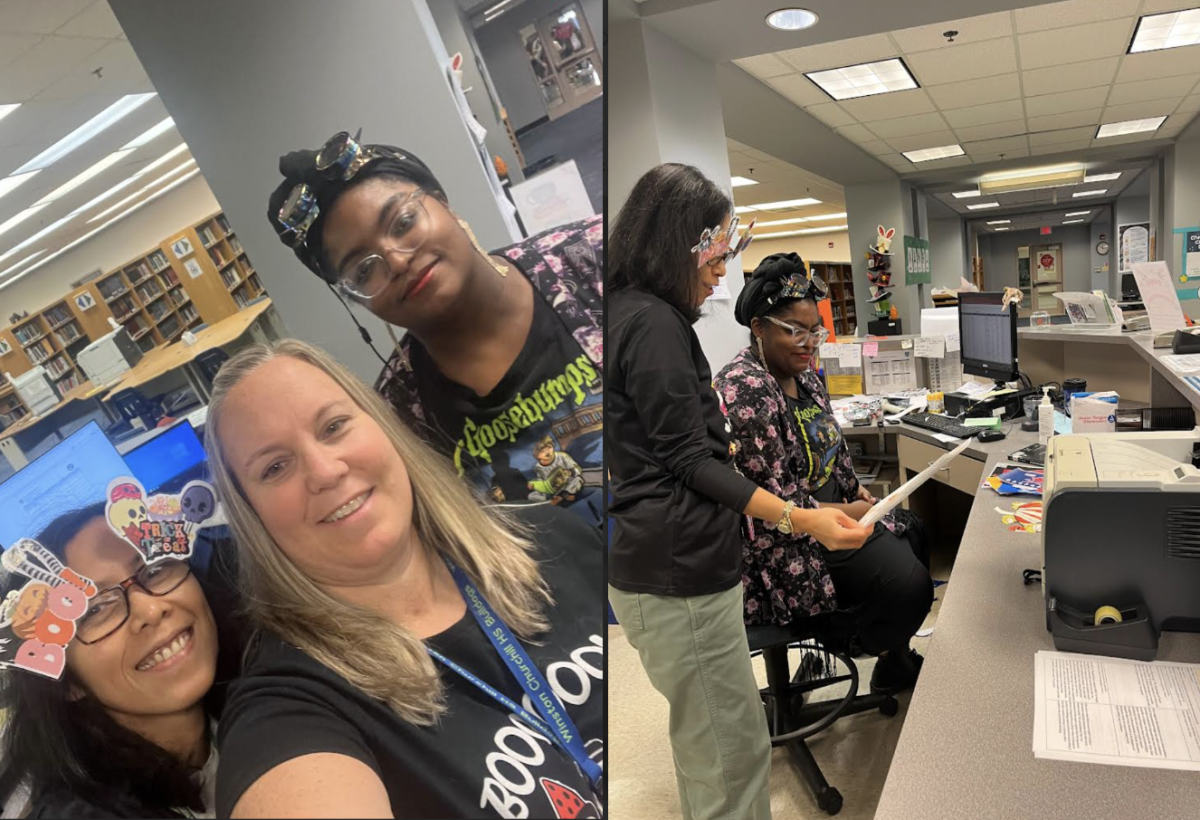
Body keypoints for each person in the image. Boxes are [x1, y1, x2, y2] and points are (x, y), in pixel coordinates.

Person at [203, 339, 604, 819]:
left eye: (334, 426)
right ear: (252, 516)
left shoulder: (549, 537)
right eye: (274, 467)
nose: (325, 471)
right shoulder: (288, 711)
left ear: (381, 423)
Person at [607, 163, 873, 820]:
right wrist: (802, 520)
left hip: (667, 568)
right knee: (731, 759)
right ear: (678, 239)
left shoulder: (628, 314)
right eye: (718, 251)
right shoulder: (655, 326)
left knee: (711, 745)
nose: (723, 270)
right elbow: (694, 462)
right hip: (680, 575)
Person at [267, 131, 603, 527]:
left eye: (403, 221)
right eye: (364, 269)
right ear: (357, 299)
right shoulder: (398, 415)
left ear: (443, 202)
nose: (395, 259)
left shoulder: (589, 260)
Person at [713, 252, 934, 694]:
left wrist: (861, 495)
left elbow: (836, 452)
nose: (809, 342)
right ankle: (859, 639)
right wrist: (844, 509)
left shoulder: (807, 378)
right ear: (758, 328)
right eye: (795, 330)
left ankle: (893, 655)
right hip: (789, 541)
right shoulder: (745, 388)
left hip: (835, 512)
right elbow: (769, 504)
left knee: (915, 533)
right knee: (909, 585)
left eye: (814, 330)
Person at [0, 502, 238, 818]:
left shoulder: (265, 677)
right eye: (95, 610)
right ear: (68, 682)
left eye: (152, 571)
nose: (151, 610)